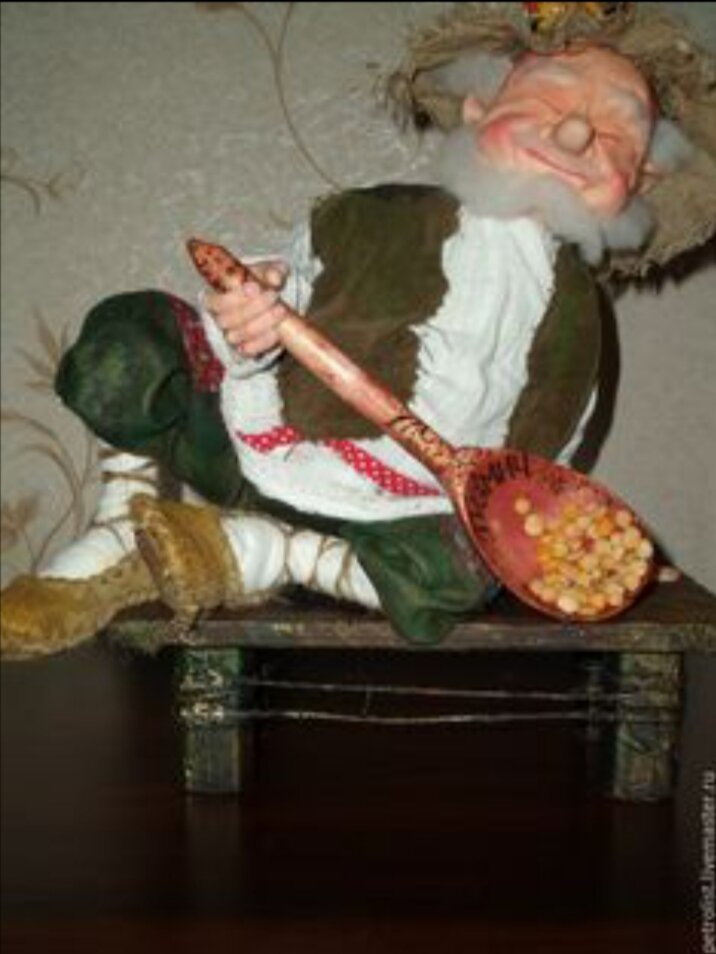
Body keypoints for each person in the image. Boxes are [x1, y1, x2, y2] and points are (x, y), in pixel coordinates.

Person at [2, 2, 714, 657]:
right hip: (251, 448)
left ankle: (259, 551)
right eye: (547, 101)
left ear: (641, 182)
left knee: (458, 576)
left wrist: (580, 548)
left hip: (404, 519)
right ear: (478, 108)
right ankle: (122, 522)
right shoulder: (366, 215)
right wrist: (256, 306)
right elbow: (287, 283)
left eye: (615, 133)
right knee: (126, 343)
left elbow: (541, 467)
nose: (574, 133)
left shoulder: (582, 327)